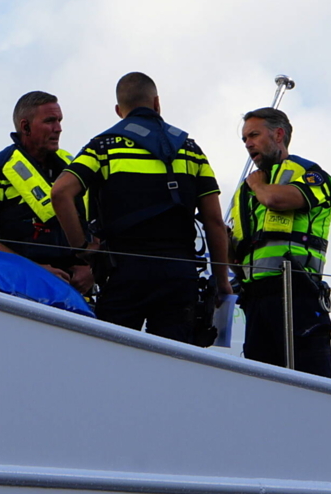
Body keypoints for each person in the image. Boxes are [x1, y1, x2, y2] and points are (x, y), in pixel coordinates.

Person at [51, 72, 232, 343]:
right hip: (178, 273)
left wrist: (83, 248)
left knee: (112, 359)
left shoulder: (104, 147)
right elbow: (215, 222)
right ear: (157, 103)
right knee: (173, 361)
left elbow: (61, 191)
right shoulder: (191, 149)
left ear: (118, 110)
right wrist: (222, 281)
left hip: (124, 272)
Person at [229, 107, 331, 378]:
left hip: (297, 292)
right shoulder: (243, 194)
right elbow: (236, 249)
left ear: (279, 135)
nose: (248, 143)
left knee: (311, 388)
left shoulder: (310, 173)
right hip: (255, 301)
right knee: (261, 390)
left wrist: (257, 186)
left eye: (254, 135)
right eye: (244, 139)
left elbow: (277, 200)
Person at [0, 91, 94, 294]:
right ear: (25, 126)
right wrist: (33, 270)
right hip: (23, 290)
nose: (58, 128)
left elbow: (98, 225)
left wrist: (91, 268)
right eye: (50, 121)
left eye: (60, 120)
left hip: (78, 292)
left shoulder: (72, 166)